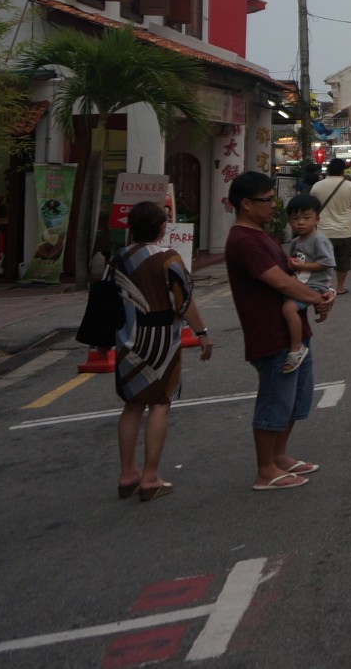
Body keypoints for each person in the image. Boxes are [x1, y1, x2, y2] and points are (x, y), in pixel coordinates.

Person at [223, 170, 333, 491]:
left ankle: (279, 455)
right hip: (270, 332)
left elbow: (295, 273)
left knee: (296, 399)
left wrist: (321, 296)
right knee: (275, 400)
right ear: (245, 204)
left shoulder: (262, 234)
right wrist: (317, 299)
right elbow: (281, 281)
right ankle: (266, 469)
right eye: (267, 200)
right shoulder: (244, 240)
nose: (274, 206)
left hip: (292, 328)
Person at [109, 200, 211, 502]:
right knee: (160, 403)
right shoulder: (168, 258)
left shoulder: (119, 258)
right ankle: (151, 477)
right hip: (161, 340)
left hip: (127, 339)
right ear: (160, 227)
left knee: (131, 405)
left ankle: (128, 474)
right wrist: (202, 332)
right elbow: (183, 301)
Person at [279, 194, 335, 375]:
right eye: (295, 219)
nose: (300, 223)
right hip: (302, 283)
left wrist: (301, 266)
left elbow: (328, 262)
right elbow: (295, 263)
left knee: (288, 309)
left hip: (315, 285)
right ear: (289, 221)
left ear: (317, 219)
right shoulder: (295, 242)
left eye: (306, 218)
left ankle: (296, 348)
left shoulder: (319, 239)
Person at [308, 158, 351, 295]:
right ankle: (339, 287)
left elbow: (311, 207)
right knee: (343, 262)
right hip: (344, 230)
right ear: (343, 170)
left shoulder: (317, 186)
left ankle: (325, 286)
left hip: (322, 231)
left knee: (323, 260)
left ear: (328, 170)